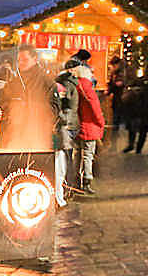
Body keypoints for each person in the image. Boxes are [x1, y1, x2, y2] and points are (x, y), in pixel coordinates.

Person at [52, 60, 83, 205]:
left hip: (66, 124)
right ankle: (68, 188)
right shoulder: (74, 82)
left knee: (65, 157)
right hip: (72, 122)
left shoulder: (63, 84)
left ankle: (66, 189)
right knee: (68, 157)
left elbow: (62, 105)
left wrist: (60, 118)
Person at [73, 62, 105, 196]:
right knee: (88, 155)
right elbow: (96, 109)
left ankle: (76, 181)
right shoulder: (88, 89)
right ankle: (86, 181)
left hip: (78, 126)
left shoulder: (76, 86)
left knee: (78, 155)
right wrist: (101, 122)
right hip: (89, 126)